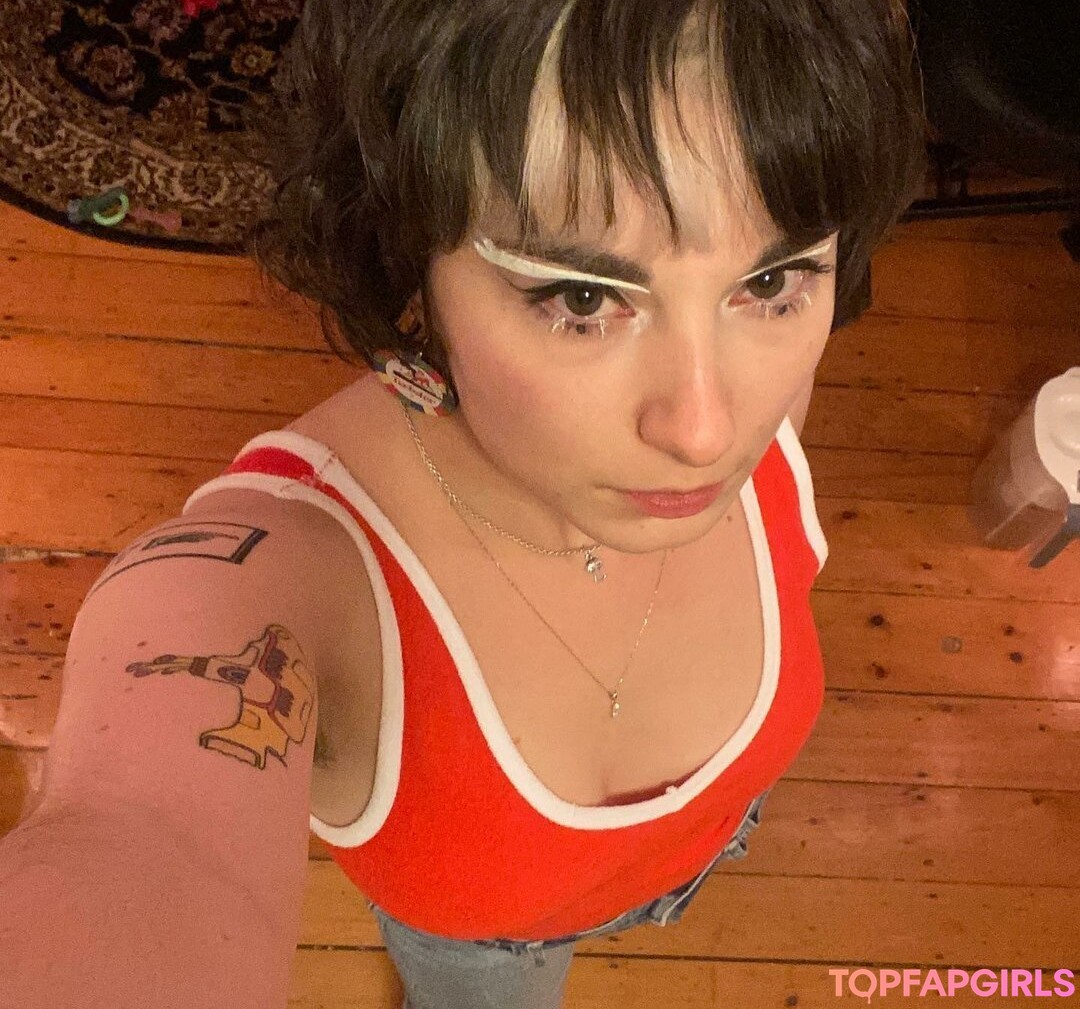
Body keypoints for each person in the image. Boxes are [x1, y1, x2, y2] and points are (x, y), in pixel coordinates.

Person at [0, 2, 925, 1007]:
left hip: (711, 840)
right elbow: (140, 830)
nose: (706, 429)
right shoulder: (296, 571)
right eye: (581, 298)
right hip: (493, 958)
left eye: (773, 280)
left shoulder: (775, 400)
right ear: (409, 275)